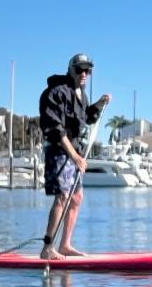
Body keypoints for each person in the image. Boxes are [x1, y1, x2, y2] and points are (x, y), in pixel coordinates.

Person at [38, 53, 111, 260]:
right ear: (70, 69)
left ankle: (65, 245)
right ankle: (47, 248)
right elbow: (55, 129)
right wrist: (75, 156)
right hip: (59, 150)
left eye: (87, 70)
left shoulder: (82, 95)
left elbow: (85, 117)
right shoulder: (56, 92)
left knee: (76, 198)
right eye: (80, 69)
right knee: (62, 196)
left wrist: (99, 104)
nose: (84, 74)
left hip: (74, 152)